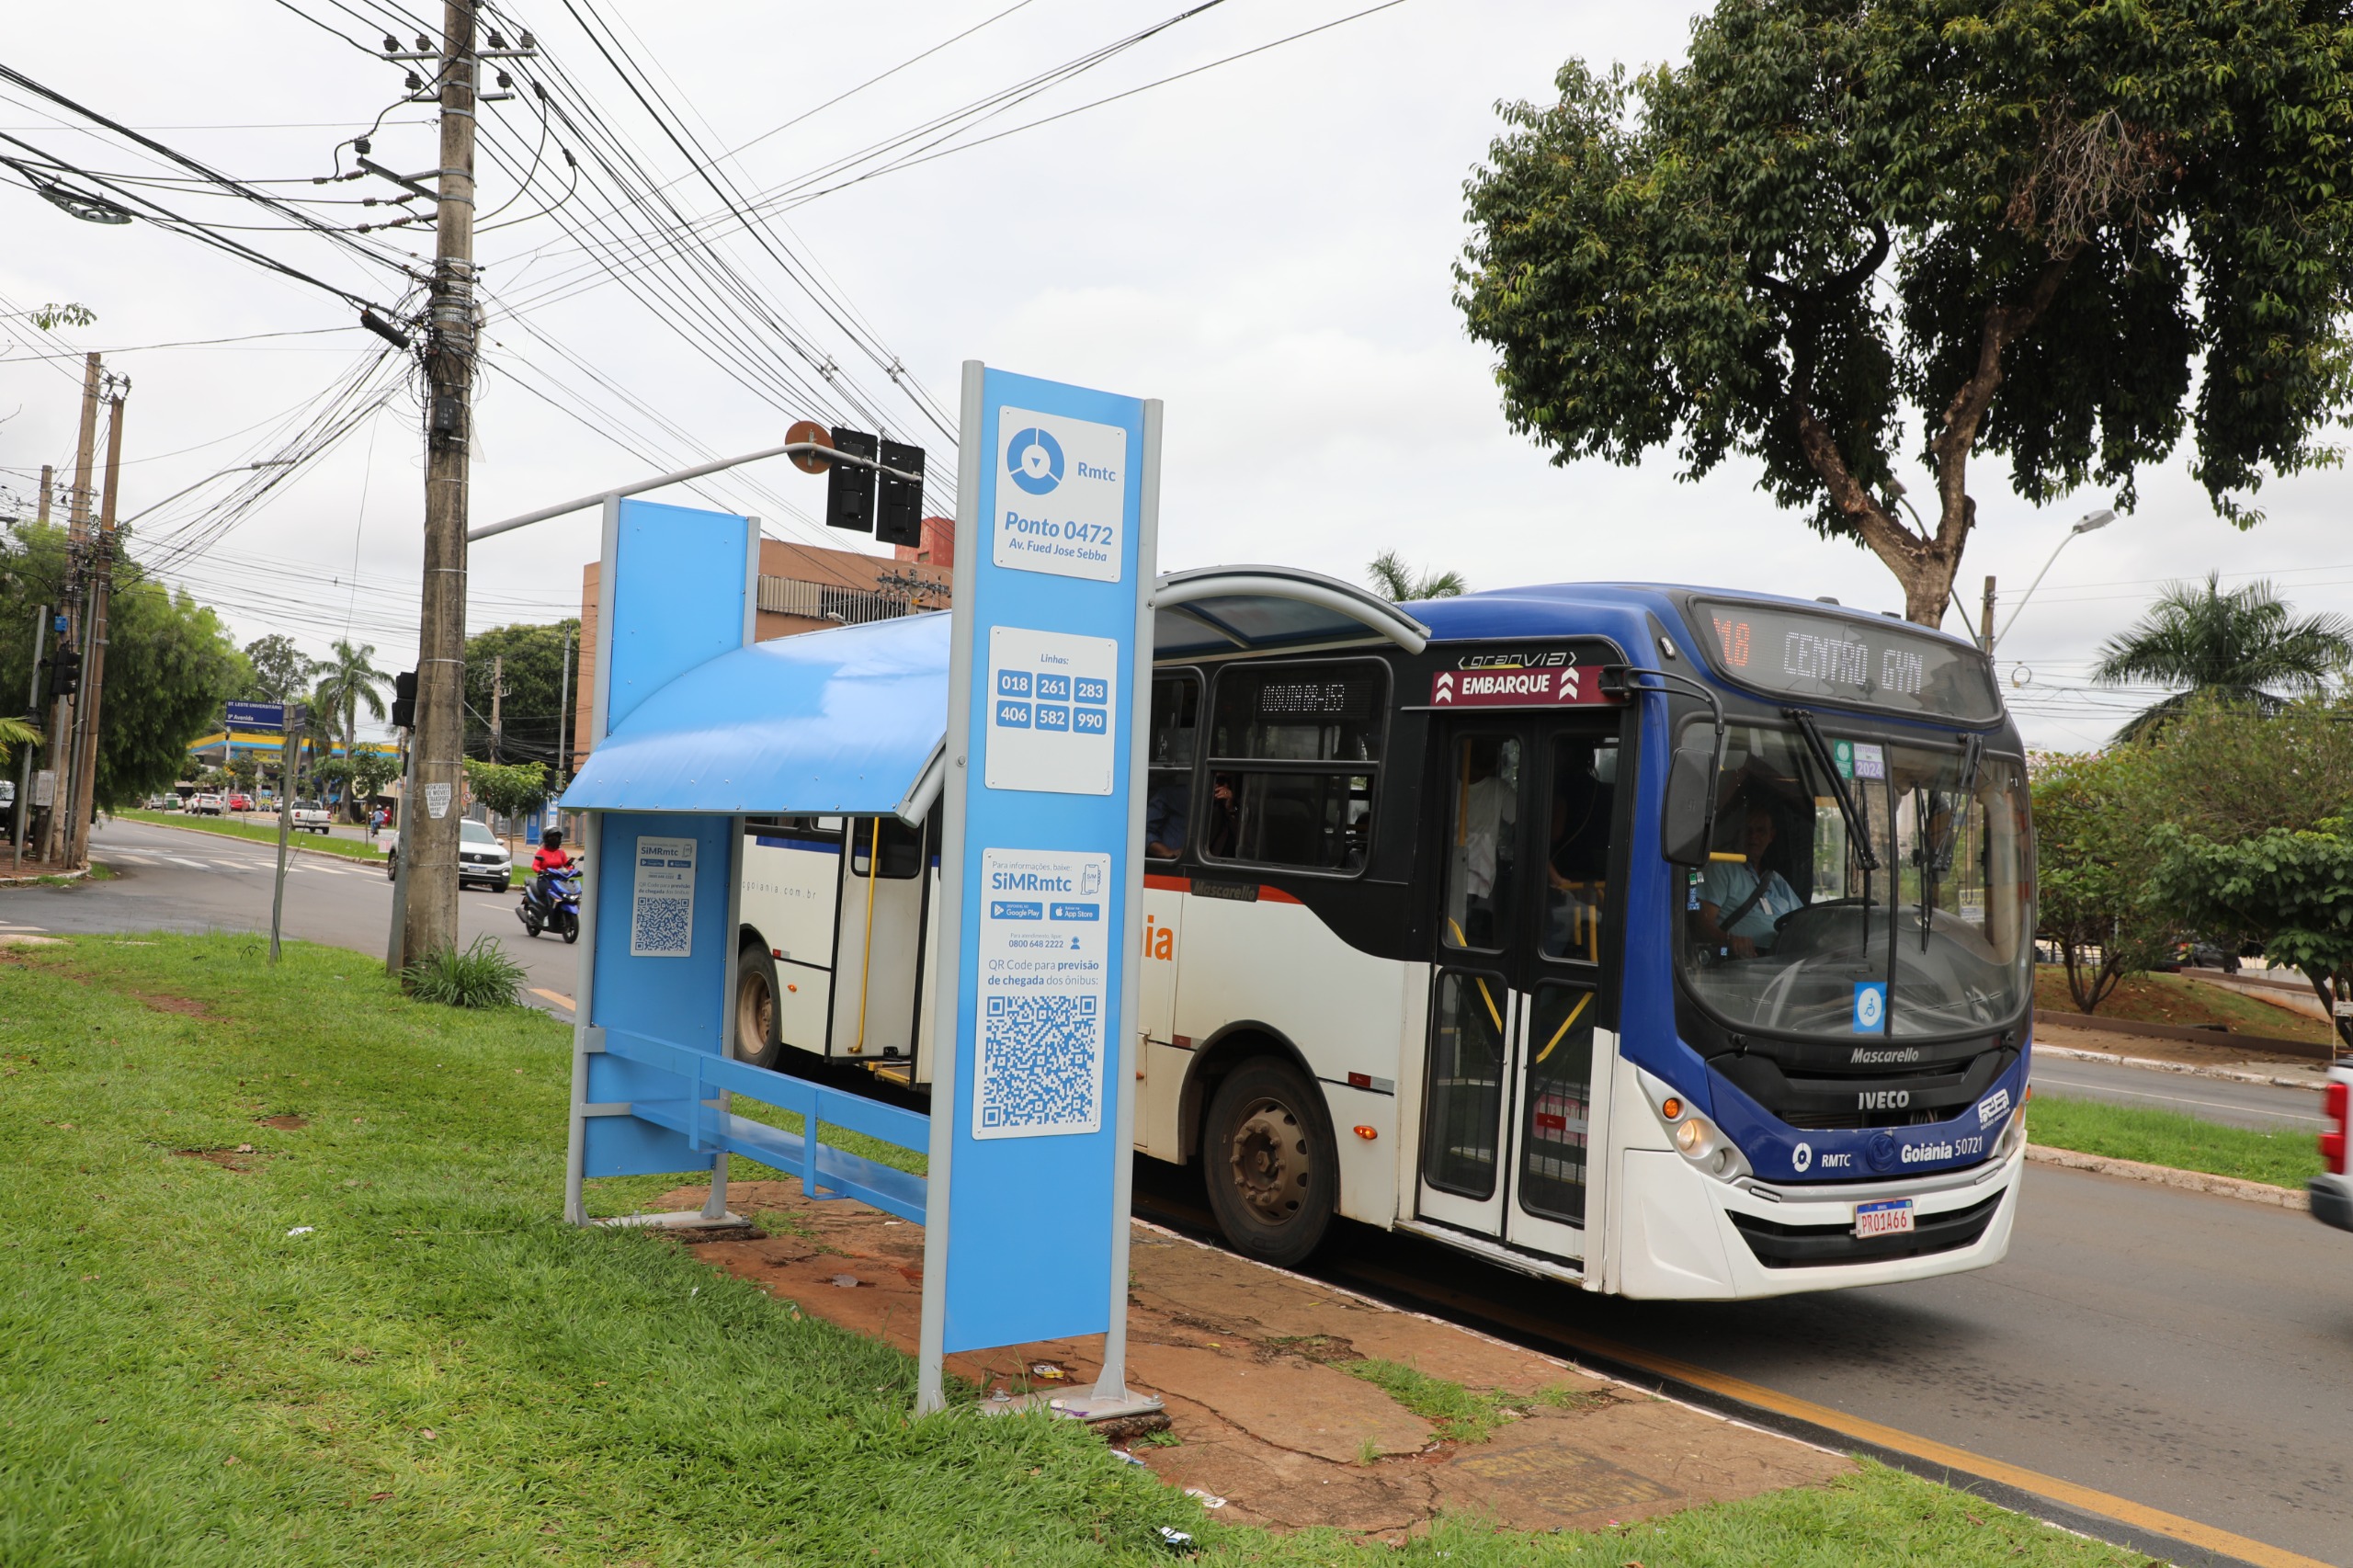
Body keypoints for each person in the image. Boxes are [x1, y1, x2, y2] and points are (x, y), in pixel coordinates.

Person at [1696, 800, 1800, 958]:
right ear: (1738, 833)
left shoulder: (1775, 880)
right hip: (1742, 963)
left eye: (1761, 831)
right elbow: (1701, 926)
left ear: (1771, 836)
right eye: (1748, 830)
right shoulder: (1722, 867)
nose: (1754, 837)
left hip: (1783, 961)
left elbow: (1803, 921)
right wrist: (1730, 941)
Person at [529, 826, 574, 909]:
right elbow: (534, 866)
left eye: (557, 837)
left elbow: (567, 865)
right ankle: (545, 911)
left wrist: (571, 869)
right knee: (548, 894)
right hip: (545, 879)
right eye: (552, 837)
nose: (555, 839)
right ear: (546, 838)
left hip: (559, 880)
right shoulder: (541, 852)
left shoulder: (561, 852)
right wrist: (540, 871)